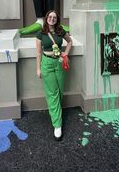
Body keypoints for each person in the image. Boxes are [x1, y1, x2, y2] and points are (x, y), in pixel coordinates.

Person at [36, 10, 72, 140]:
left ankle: (55, 111)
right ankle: (57, 124)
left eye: (54, 17)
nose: (52, 19)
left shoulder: (60, 31)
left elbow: (69, 42)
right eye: (50, 17)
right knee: (52, 93)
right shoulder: (41, 33)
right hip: (47, 63)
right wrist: (38, 68)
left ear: (57, 19)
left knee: (60, 91)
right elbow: (39, 53)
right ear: (46, 18)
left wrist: (65, 54)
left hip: (59, 63)